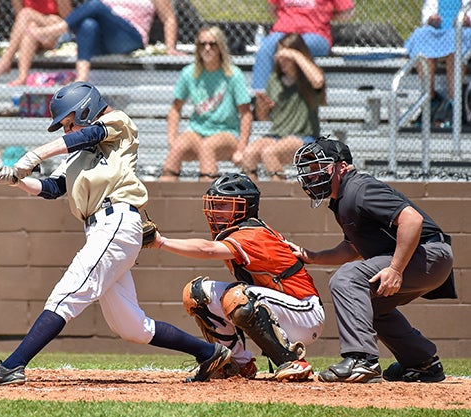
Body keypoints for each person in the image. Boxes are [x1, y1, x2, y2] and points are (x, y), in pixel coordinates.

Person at [0, 81, 232, 386]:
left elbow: (90, 134)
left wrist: (34, 156)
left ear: (87, 110)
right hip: (100, 230)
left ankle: (13, 365)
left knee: (67, 293)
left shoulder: (118, 122)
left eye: (69, 122)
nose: (67, 131)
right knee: (132, 327)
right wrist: (17, 181)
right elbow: (54, 188)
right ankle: (210, 353)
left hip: (116, 220)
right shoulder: (76, 156)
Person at [290, 137, 455, 383]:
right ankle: (422, 362)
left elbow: (412, 220)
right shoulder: (342, 199)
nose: (312, 177)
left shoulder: (360, 188)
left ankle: (361, 360)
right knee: (371, 308)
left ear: (341, 166)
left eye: (318, 168)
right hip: (425, 258)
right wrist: (311, 257)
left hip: (427, 254)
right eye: (309, 171)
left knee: (346, 279)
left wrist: (396, 270)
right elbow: (352, 248)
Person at [149, 173, 325, 381]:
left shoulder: (253, 234)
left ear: (245, 207)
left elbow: (208, 250)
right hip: (280, 307)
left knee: (238, 296)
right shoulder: (236, 232)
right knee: (196, 293)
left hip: (305, 313)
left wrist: (160, 242)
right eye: (215, 205)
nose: (216, 211)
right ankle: (237, 364)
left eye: (224, 205)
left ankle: (293, 362)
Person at [0, 0, 182, 85]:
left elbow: (169, 19)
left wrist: (171, 47)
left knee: (95, 5)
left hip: (129, 38)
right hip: (102, 41)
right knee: (88, 24)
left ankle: (56, 30)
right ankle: (82, 78)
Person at [159, 26, 253, 182]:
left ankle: (209, 199)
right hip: (197, 130)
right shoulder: (189, 72)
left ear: (220, 47)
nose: (207, 48)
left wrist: (241, 149)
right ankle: (162, 199)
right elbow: (176, 108)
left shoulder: (233, 74)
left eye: (212, 44)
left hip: (227, 132)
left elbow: (246, 113)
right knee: (177, 148)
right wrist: (172, 139)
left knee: (207, 147)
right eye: (202, 44)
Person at [242, 33, 325, 181]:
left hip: (303, 137)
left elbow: (318, 81)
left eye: (286, 56)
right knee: (249, 153)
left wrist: (294, 54)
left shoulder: (307, 79)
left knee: (269, 153)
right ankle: (252, 197)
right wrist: (263, 107)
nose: (281, 60)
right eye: (279, 54)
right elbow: (263, 118)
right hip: (277, 134)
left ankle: (280, 196)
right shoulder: (275, 80)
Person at [252, 0, 353, 117]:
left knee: (297, 46)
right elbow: (272, 8)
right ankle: (261, 100)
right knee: (265, 49)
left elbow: (348, 12)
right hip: (283, 31)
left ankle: (291, 101)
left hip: (316, 34)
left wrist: (326, 16)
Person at [405, 0, 471, 128]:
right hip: (440, 31)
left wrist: (467, 20)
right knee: (421, 36)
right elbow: (427, 14)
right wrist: (431, 19)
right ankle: (429, 100)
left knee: (455, 42)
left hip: (464, 31)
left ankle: (454, 103)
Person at [0, 0, 73, 83]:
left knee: (28, 13)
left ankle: (6, 60)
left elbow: (68, 21)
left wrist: (45, 23)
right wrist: (37, 25)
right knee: (30, 28)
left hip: (55, 31)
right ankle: (22, 76)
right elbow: (20, 21)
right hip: (33, 31)